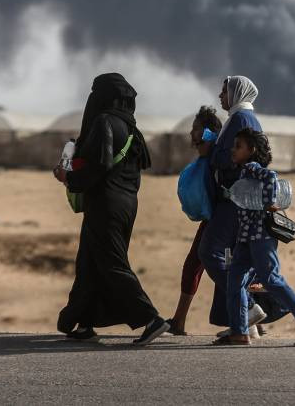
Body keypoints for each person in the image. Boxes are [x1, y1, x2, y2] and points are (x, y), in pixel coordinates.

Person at [53, 73, 169, 345]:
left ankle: (151, 319)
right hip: (126, 204)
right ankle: (84, 322)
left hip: (106, 203)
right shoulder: (131, 128)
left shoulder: (104, 121)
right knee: (89, 262)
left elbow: (101, 165)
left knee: (111, 262)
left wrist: (68, 178)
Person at [217, 128, 295, 347]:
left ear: (252, 150)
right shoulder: (243, 172)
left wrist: (268, 202)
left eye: (239, 146)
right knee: (235, 280)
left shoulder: (252, 168)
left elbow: (271, 177)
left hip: (260, 236)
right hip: (247, 238)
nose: (233, 149)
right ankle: (239, 332)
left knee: (270, 279)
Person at [198, 76, 267, 333]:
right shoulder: (241, 118)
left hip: (233, 201)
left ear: (236, 93)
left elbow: (228, 158)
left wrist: (213, 149)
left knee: (209, 252)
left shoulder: (241, 120)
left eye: (224, 91)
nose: (220, 96)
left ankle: (248, 308)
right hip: (235, 200)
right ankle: (242, 324)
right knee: (233, 262)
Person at [166, 105, 223, 336]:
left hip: (221, 220)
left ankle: (249, 319)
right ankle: (179, 321)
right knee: (197, 267)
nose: (192, 134)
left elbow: (213, 136)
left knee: (198, 266)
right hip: (213, 218)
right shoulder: (209, 156)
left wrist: (207, 135)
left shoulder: (218, 153)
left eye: (196, 129)